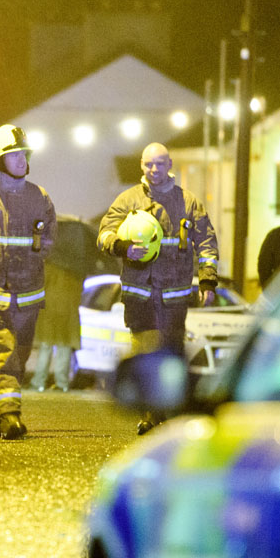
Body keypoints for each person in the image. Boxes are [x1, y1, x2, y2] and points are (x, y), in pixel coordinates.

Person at [97, 142, 218, 435]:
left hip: (175, 296)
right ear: (141, 165)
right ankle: (151, 415)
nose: (154, 170)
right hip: (140, 294)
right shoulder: (128, 201)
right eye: (149, 164)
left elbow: (206, 244)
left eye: (160, 164)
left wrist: (208, 280)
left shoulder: (188, 203)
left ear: (169, 164)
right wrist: (123, 247)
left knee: (171, 353)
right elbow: (103, 234)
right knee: (146, 351)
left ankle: (168, 413)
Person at [0, 125, 56, 440]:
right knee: (4, 352)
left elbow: (49, 238)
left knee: (18, 356)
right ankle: (10, 417)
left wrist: (33, 259)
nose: (21, 160)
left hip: (29, 294)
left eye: (24, 154)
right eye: (13, 155)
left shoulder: (40, 196)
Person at [30, 215, 92, 392]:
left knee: (46, 346)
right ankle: (62, 382)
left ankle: (39, 381)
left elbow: (40, 284)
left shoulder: (50, 263)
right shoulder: (78, 268)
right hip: (70, 311)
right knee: (64, 347)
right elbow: (80, 291)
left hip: (49, 309)